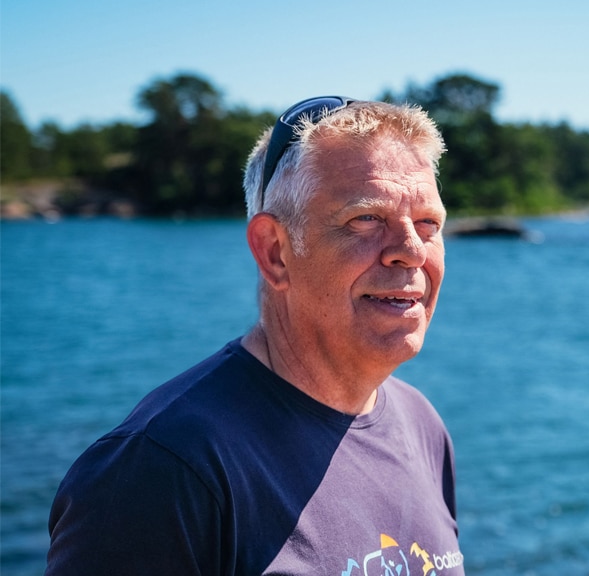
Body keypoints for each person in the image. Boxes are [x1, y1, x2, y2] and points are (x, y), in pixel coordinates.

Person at [46, 97, 465, 575]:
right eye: (366, 219)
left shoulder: (422, 427)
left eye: (429, 223)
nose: (410, 251)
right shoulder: (162, 470)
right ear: (275, 254)